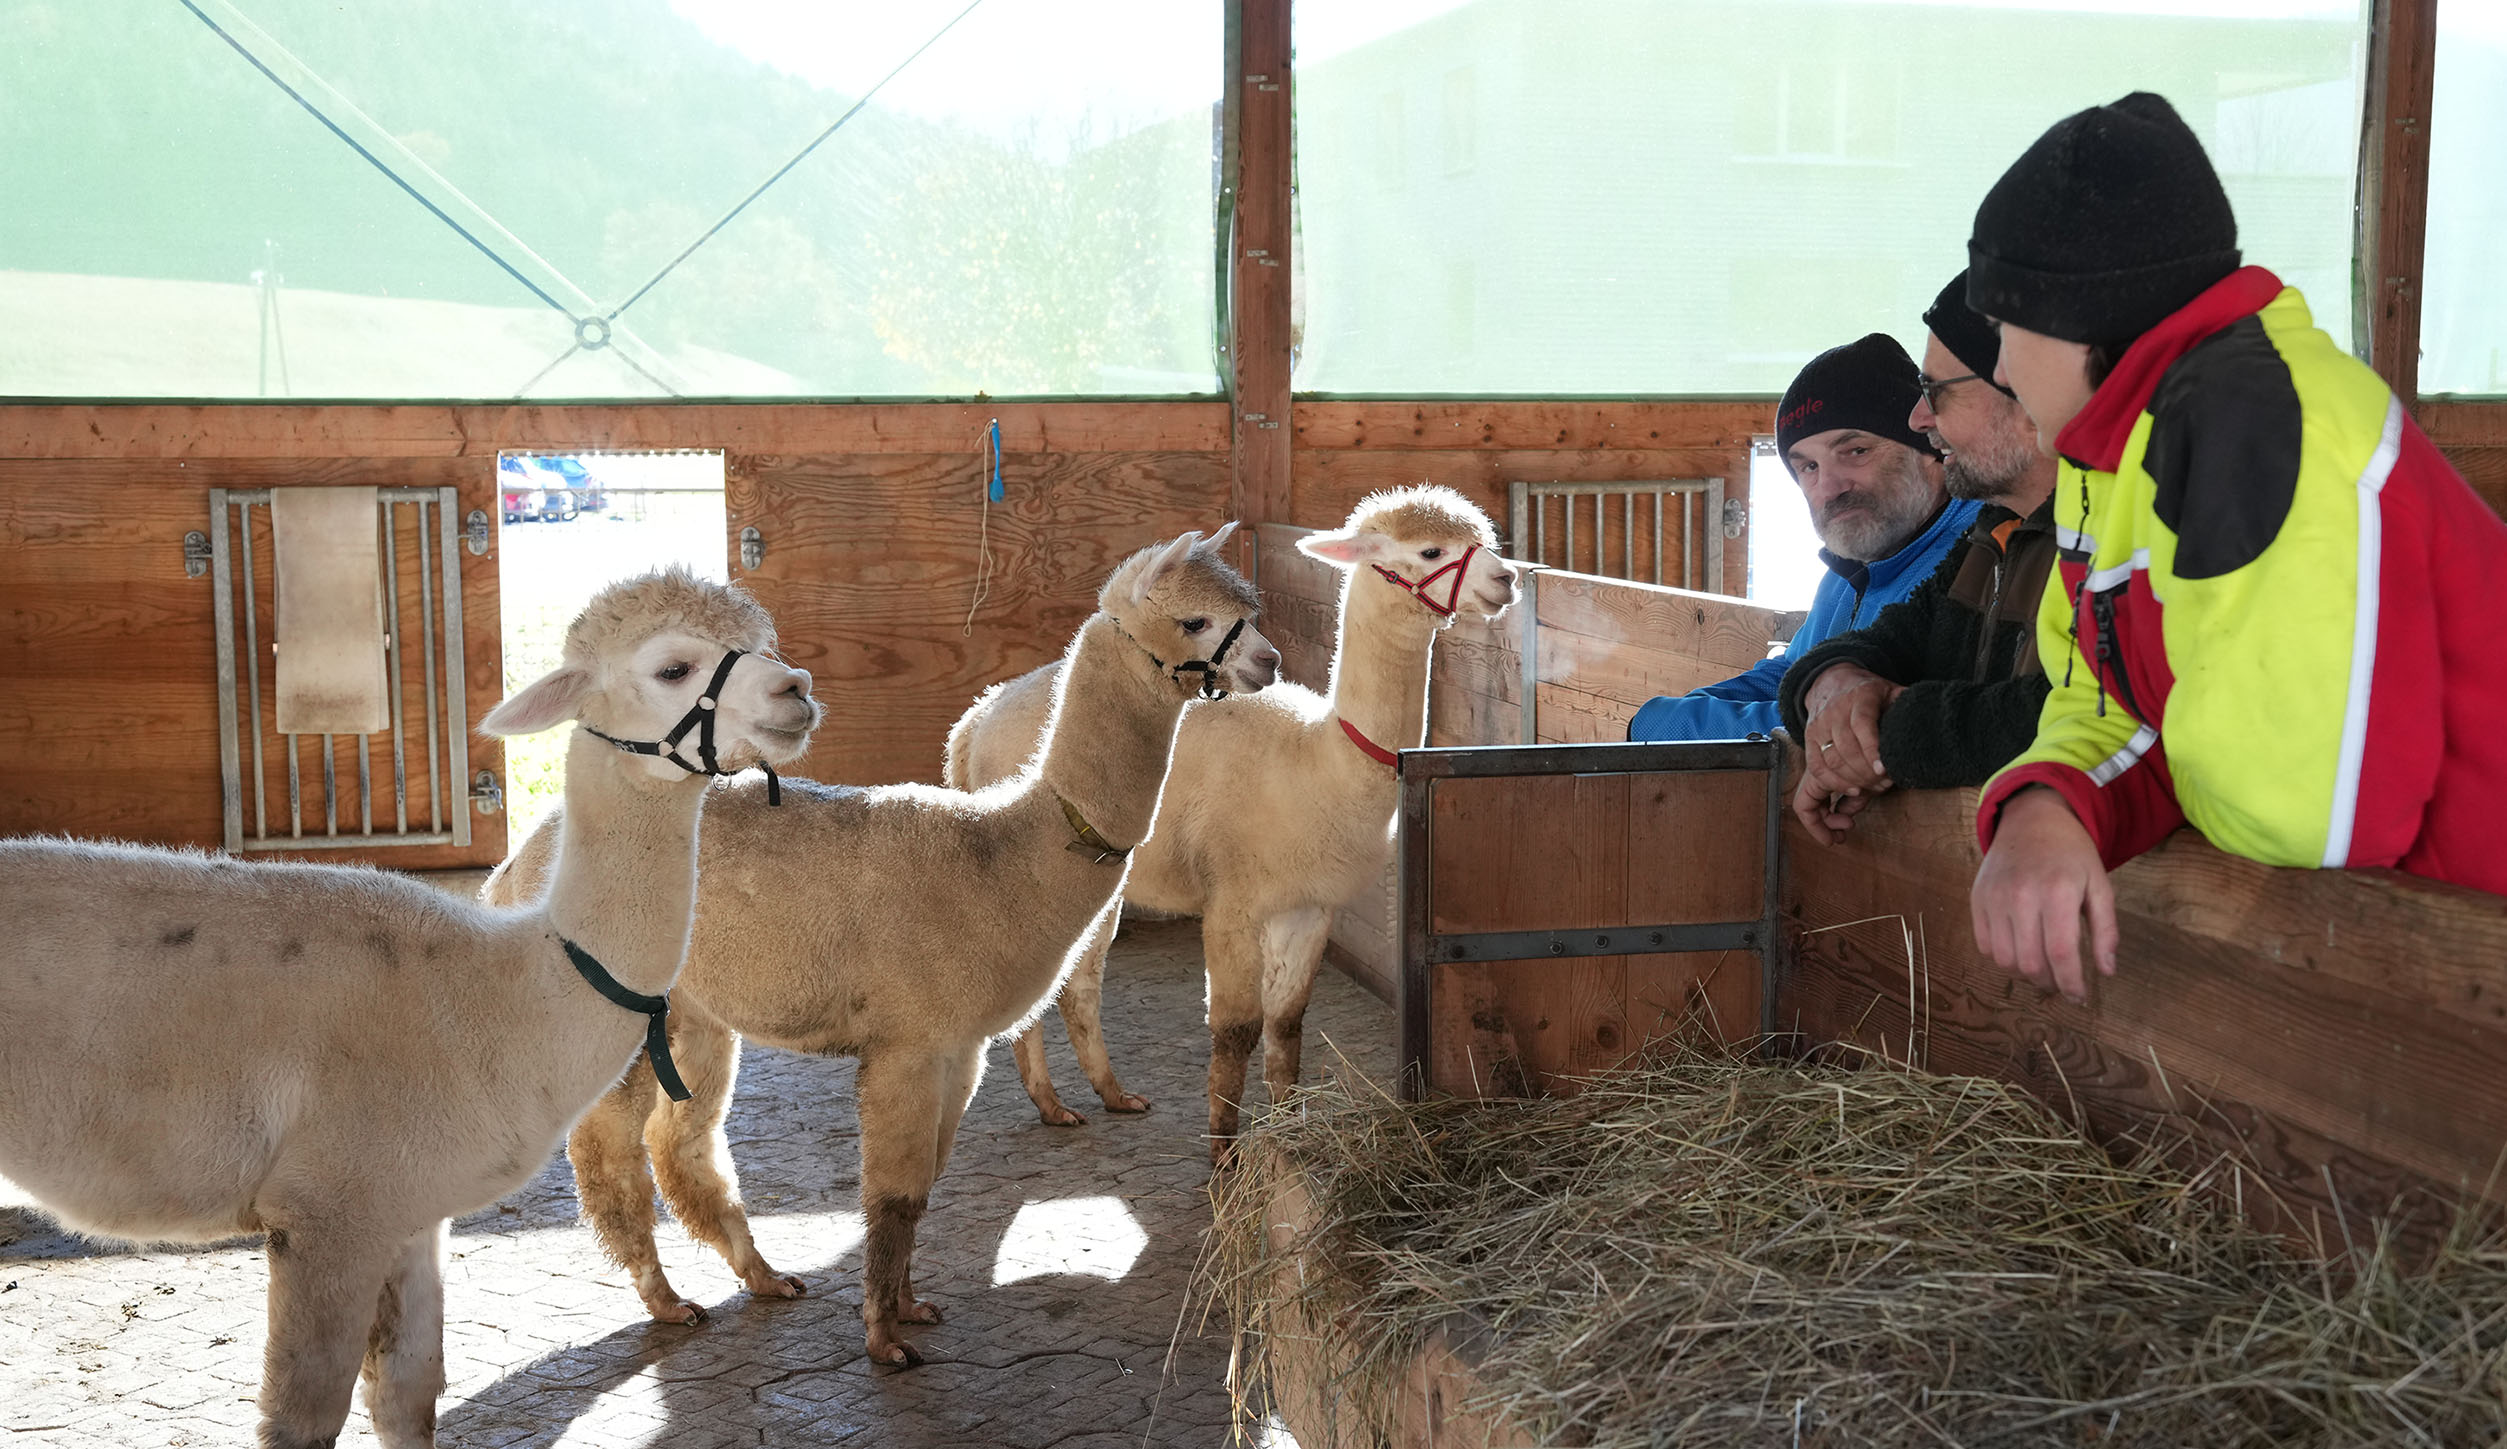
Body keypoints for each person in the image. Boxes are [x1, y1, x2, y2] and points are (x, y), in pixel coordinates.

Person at [1959, 92, 2507, 1003]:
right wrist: (2048, 803)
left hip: (2467, 957)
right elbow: (2098, 696)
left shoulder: (2254, 428)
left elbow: (2307, 809)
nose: (2004, 368)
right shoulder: (2115, 451)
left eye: (2005, 329)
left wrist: (2137, 787)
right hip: (2402, 974)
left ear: (2077, 317)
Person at [1777, 271, 2060, 841]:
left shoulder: (2119, 536)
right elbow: (1885, 644)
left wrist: (1878, 734)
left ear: (2026, 393)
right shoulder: (1995, 533)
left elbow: (2082, 717)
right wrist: (1831, 682)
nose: (1919, 419)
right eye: (1804, 466)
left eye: (1937, 393)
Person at [1627, 334, 1978, 741]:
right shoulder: (1852, 571)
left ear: (1930, 449)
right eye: (1808, 466)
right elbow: (1792, 675)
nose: (1829, 487)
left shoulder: (1974, 559)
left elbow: (1835, 726)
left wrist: (1657, 725)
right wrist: (1682, 713)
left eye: (1856, 451)